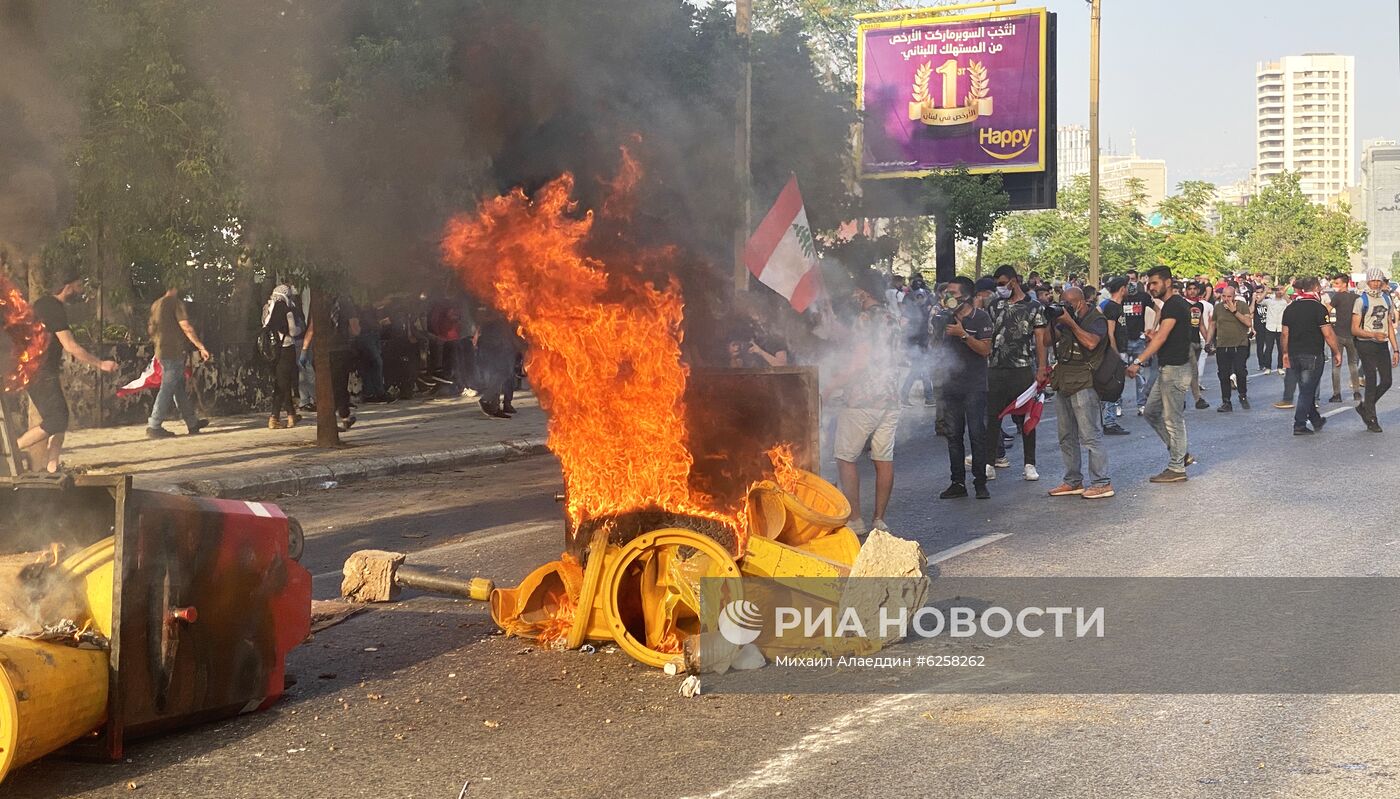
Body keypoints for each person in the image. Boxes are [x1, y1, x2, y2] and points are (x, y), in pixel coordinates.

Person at [15, 272, 118, 472]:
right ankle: (11, 450)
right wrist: (100, 363)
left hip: (37, 370)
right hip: (40, 372)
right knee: (56, 419)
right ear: (68, 287)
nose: (80, 291)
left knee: (61, 416)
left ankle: (53, 466)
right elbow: (70, 346)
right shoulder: (53, 309)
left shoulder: (43, 304)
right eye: (79, 286)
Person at [825, 275, 901, 535]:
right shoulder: (891, 318)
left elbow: (859, 361)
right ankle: (879, 520)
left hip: (862, 399)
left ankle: (855, 518)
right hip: (890, 398)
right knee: (883, 458)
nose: (854, 295)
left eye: (857, 290)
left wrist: (830, 387)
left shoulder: (865, 319)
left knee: (845, 457)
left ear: (865, 291)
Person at [1125, 266, 1194, 483]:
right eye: (1148, 284)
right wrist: (1153, 335)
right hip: (1167, 368)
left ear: (1168, 282)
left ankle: (1177, 468)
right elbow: (1165, 335)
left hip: (1175, 370)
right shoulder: (1171, 306)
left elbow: (1162, 337)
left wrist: (1138, 361)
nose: (1150, 287)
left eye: (1154, 283)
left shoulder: (1174, 305)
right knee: (1151, 412)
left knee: (1173, 419)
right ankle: (1180, 454)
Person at [1047, 286, 1113, 499]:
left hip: (1085, 381)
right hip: (1064, 379)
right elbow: (1049, 340)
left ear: (1081, 302)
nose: (1065, 308)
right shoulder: (1067, 319)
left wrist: (1071, 323)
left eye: (1069, 304)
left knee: (1090, 435)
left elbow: (1091, 343)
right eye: (1062, 304)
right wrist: (1050, 321)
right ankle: (1072, 480)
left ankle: (1101, 482)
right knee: (1066, 435)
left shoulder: (1096, 319)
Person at [931, 277, 993, 499]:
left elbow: (985, 350)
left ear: (966, 296)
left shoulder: (981, 317)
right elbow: (935, 348)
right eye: (946, 293)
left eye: (953, 293)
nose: (948, 297)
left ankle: (980, 482)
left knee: (977, 434)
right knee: (953, 436)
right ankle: (957, 482)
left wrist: (963, 335)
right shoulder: (943, 318)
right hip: (951, 385)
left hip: (974, 386)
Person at [985, 265, 1050, 481]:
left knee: (1026, 419)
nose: (1000, 288)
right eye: (997, 284)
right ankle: (989, 462)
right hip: (995, 368)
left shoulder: (1034, 308)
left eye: (1003, 283)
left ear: (1013, 281)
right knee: (993, 417)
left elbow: (1040, 339)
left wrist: (1042, 368)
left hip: (1022, 369)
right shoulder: (994, 306)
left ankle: (1029, 463)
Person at [146, 283, 210, 439]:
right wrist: (200, 346)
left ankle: (192, 422)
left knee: (178, 387)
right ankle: (154, 425)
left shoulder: (157, 304)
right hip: (173, 352)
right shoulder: (175, 303)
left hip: (161, 350)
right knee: (167, 388)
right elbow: (186, 326)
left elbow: (150, 329)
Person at [1280, 276, 1342, 435]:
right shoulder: (1319, 308)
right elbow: (1328, 334)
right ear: (1316, 289)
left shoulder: (1290, 308)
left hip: (1294, 353)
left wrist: (1285, 353)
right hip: (1312, 354)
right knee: (1307, 391)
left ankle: (1315, 419)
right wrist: (1336, 352)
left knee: (1306, 388)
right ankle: (1299, 424)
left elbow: (1285, 334)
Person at [1350, 266, 1397, 433]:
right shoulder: (1361, 300)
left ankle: (1365, 406)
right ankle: (1371, 419)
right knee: (1370, 380)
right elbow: (1354, 329)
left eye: (1379, 280)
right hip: (1365, 343)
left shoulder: (1386, 298)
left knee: (1386, 381)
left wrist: (1396, 349)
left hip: (1382, 343)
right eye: (1373, 280)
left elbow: (1389, 325)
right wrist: (1372, 335)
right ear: (1368, 281)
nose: (1376, 283)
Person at [261, 281, 306, 429]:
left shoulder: (267, 308)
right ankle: (291, 415)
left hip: (271, 351)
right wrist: (301, 329)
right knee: (285, 382)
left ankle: (274, 417)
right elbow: (293, 331)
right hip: (286, 348)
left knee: (279, 383)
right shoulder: (287, 310)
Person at [1211, 284, 1253, 412]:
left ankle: (1243, 395)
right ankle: (1226, 402)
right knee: (1223, 374)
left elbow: (1248, 323)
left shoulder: (1241, 305)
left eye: (1229, 296)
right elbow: (1213, 324)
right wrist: (1208, 341)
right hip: (1222, 345)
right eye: (1224, 296)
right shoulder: (1218, 307)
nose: (1226, 299)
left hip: (1239, 344)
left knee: (1240, 371)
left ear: (1234, 296)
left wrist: (1234, 311)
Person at [1098, 277, 1131, 435]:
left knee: (1117, 387)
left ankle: (1109, 420)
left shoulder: (1118, 306)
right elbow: (1110, 332)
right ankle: (1109, 422)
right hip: (1114, 352)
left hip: (1120, 350)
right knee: (1113, 386)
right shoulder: (1111, 307)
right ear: (1122, 288)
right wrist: (1114, 353)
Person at [475, 307, 520, 418]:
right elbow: (482, 323)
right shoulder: (491, 311)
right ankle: (487, 400)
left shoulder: (502, 314)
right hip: (493, 347)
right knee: (501, 374)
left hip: (501, 346)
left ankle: (495, 407)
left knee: (503, 375)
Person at [1325, 274, 1361, 403]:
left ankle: (1337, 394)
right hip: (1353, 335)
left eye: (1337, 284)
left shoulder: (1337, 297)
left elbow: (1327, 310)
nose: (1335, 286)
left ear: (1344, 284)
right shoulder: (1357, 298)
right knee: (1353, 365)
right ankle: (1356, 392)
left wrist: (1328, 324)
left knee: (1336, 365)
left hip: (1338, 334)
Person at [1120, 271, 1151, 413]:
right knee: (1120, 374)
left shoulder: (1143, 297)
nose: (1130, 283)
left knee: (1140, 373)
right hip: (1123, 340)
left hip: (1138, 339)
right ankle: (1117, 405)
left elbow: (1158, 310)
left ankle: (1141, 404)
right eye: (1128, 281)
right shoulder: (1120, 298)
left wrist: (1149, 329)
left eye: (1132, 280)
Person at [1183, 281, 1211, 409]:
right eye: (1190, 289)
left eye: (1195, 289)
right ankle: (1198, 399)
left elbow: (1201, 325)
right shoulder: (1182, 304)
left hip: (1196, 341)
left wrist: (1208, 341)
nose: (1192, 291)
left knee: (1187, 372)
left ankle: (1179, 398)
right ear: (1186, 291)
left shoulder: (1200, 305)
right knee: (1193, 370)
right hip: (1185, 341)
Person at [1260, 286, 1288, 374]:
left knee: (1281, 348)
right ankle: (1267, 367)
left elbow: (1291, 304)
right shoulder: (1270, 301)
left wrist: (1284, 293)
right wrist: (1266, 292)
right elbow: (1259, 301)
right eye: (1277, 290)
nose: (1279, 292)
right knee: (1269, 348)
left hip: (1280, 327)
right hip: (1270, 327)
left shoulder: (1284, 302)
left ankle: (1280, 367)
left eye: (1280, 290)